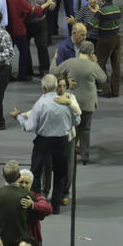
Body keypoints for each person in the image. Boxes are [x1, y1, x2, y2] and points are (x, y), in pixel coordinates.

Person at [11, 74, 80, 210]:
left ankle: (37, 203)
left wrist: (18, 117)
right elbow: (77, 121)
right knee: (60, 174)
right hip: (62, 142)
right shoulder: (66, 102)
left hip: (43, 142)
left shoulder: (41, 104)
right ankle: (56, 205)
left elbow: (29, 127)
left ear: (43, 88)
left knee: (36, 172)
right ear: (56, 87)